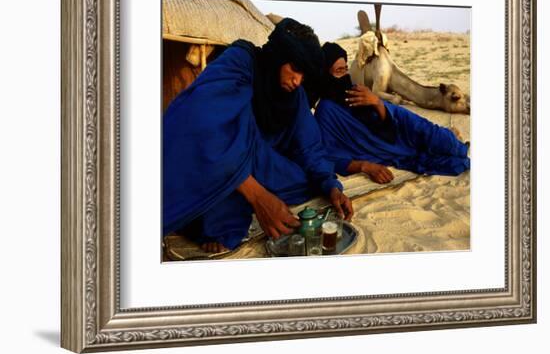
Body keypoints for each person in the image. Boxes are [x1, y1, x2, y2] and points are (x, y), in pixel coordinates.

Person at [163, 20, 353, 253]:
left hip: (259, 162)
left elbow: (310, 146)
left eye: (304, 75)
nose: (297, 80)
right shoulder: (240, 62)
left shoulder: (294, 95)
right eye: (294, 68)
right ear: (278, 56)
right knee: (216, 206)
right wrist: (258, 196)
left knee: (306, 180)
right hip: (218, 158)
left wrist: (331, 186)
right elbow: (198, 124)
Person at [313, 42, 470, 183]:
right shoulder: (326, 111)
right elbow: (328, 156)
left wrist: (376, 102)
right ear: (326, 75)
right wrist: (365, 166)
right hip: (389, 148)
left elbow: (388, 121)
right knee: (452, 164)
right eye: (339, 71)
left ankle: (456, 144)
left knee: (443, 141)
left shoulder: (355, 92)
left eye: (346, 69)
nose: (346, 75)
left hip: (401, 127)